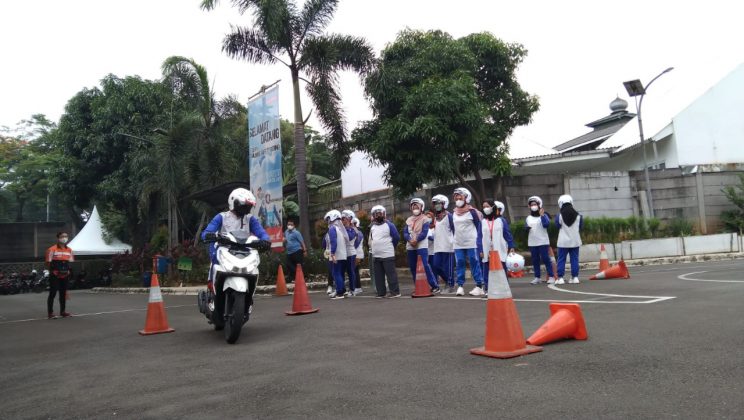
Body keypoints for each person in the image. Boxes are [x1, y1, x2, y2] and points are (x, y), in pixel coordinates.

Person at [201, 188, 271, 319]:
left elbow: (262, 233)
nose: (246, 209)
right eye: (244, 205)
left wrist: (265, 241)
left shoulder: (250, 219)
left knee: (253, 269)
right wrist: (209, 235)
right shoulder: (222, 217)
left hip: (244, 251)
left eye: (248, 206)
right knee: (215, 263)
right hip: (223, 249)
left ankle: (248, 301)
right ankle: (211, 291)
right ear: (234, 203)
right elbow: (207, 231)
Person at [452, 188, 485, 296]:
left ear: (466, 198)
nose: (458, 199)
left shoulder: (473, 212)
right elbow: (453, 228)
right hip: (458, 243)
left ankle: (479, 285)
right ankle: (460, 286)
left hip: (472, 242)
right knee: (460, 262)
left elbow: (479, 227)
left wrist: (480, 242)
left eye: (460, 197)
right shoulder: (454, 213)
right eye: (456, 197)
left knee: (474, 262)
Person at [403, 198, 440, 294]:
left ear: (421, 207)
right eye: (413, 207)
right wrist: (410, 240)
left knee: (425, 265)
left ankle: (434, 286)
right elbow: (405, 233)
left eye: (417, 207)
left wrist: (416, 240)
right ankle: (418, 286)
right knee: (413, 267)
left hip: (421, 245)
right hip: (410, 245)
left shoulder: (425, 219)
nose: (415, 208)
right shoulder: (408, 220)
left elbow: (424, 232)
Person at [481, 200, 515, 293]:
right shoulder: (483, 221)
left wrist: (511, 246)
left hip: (499, 248)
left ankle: (505, 288)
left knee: (501, 268)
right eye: (484, 207)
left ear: (493, 207)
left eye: (487, 206)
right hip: (486, 249)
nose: (485, 208)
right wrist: (480, 250)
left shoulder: (501, 220)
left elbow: (507, 234)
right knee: (487, 268)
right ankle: (488, 289)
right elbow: (479, 237)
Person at [369, 205, 401, 298]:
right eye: (376, 214)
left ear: (384, 214)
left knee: (391, 274)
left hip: (387, 254)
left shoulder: (389, 225)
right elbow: (372, 239)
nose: (378, 215)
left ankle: (395, 292)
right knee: (378, 276)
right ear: (373, 215)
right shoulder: (372, 226)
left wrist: (391, 247)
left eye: (380, 213)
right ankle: (381, 293)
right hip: (376, 255)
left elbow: (396, 237)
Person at [525, 195, 555, 285]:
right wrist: (526, 228)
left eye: (535, 204)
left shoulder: (544, 216)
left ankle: (551, 276)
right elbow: (525, 227)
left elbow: (546, 225)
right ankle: (537, 277)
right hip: (532, 242)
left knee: (546, 259)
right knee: (535, 260)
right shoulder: (528, 218)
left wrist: (542, 215)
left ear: (539, 205)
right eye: (531, 205)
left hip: (543, 241)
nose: (533, 206)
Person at [429, 194, 456, 293]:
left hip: (448, 246)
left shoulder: (449, 216)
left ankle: (451, 285)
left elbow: (454, 229)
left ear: (444, 204)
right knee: (435, 266)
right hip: (437, 247)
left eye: (439, 203)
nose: (437, 205)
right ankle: (447, 281)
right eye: (435, 204)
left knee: (448, 268)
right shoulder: (435, 218)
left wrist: (454, 242)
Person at [555, 194, 583, 284]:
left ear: (561, 203)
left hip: (563, 242)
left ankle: (560, 278)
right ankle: (575, 277)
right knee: (574, 259)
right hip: (575, 241)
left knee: (561, 259)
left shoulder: (559, 215)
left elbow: (557, 226)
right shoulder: (579, 215)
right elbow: (581, 227)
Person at [46, 232, 74, 319]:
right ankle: (50, 313)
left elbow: (70, 262)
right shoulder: (52, 249)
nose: (64, 238)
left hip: (65, 275)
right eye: (62, 236)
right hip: (55, 275)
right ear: (58, 238)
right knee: (53, 293)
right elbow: (48, 262)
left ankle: (63, 312)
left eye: (66, 236)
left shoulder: (69, 250)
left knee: (63, 293)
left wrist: (69, 271)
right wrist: (52, 271)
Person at [324, 210, 349, 299]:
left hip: (336, 255)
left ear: (332, 218)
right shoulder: (340, 229)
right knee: (340, 274)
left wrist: (332, 253)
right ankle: (342, 290)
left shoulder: (332, 228)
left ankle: (339, 293)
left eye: (328, 219)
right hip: (342, 255)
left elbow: (333, 242)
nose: (328, 221)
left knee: (336, 273)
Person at [341, 210, 361, 296]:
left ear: (349, 219)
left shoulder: (353, 230)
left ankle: (352, 290)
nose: (342, 220)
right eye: (341, 219)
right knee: (341, 272)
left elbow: (350, 238)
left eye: (344, 218)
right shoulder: (341, 228)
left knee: (350, 272)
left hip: (350, 253)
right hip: (342, 253)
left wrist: (346, 228)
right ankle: (342, 290)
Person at [352, 217, 365, 294]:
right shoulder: (357, 232)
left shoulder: (358, 233)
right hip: (357, 254)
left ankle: (357, 287)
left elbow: (356, 244)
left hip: (357, 254)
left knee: (355, 271)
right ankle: (357, 287)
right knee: (355, 271)